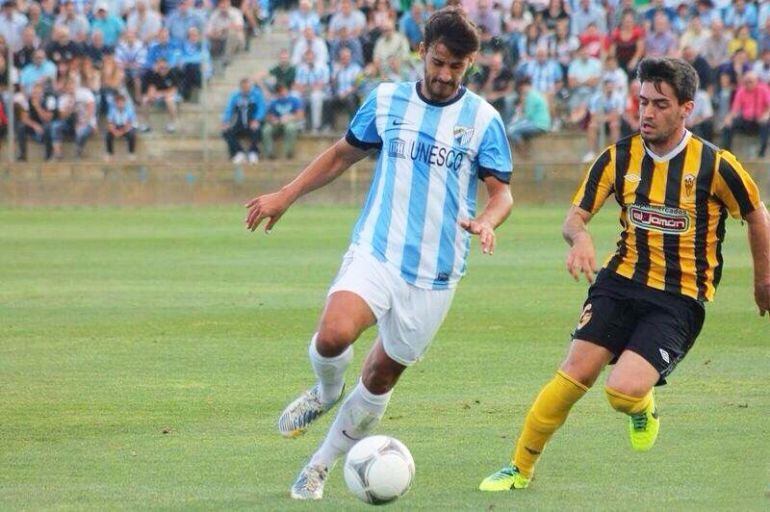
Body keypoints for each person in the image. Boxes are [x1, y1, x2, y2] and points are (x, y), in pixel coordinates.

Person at [245, 7, 514, 501]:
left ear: (470, 65)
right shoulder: (386, 101)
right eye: (438, 61)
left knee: (380, 375)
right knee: (332, 336)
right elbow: (341, 154)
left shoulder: (482, 120)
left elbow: (501, 193)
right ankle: (325, 392)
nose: (444, 74)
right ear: (422, 52)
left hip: (435, 274)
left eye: (456, 67)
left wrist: (487, 222)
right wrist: (286, 194)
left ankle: (319, 465)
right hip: (377, 250)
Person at [480, 56, 770, 492]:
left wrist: (763, 282)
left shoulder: (715, 164)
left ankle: (640, 406)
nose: (646, 113)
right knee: (573, 375)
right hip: (620, 282)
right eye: (642, 101)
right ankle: (519, 468)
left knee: (621, 392)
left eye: (659, 104)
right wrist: (580, 239)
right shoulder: (617, 157)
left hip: (679, 297)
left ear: (687, 108)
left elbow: (757, 215)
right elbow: (573, 219)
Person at [721, 71, 770, 158]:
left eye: (750, 81)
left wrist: (766, 115)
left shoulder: (763, 89)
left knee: (765, 124)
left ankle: (762, 152)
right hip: (746, 120)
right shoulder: (741, 91)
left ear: (756, 81)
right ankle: (727, 152)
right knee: (727, 126)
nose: (748, 84)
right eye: (746, 81)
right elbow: (735, 109)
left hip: (760, 119)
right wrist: (728, 118)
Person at [221, 77, 265, 164]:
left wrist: (257, 120)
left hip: (252, 122)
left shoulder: (257, 95)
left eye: (247, 87)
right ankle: (238, 152)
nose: (246, 89)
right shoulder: (235, 96)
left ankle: (253, 152)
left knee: (257, 130)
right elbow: (229, 109)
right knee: (226, 132)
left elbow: (261, 108)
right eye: (244, 87)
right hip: (240, 123)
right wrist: (225, 121)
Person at [260, 82, 302, 159]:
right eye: (279, 91)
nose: (282, 93)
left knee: (290, 128)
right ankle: (269, 154)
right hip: (277, 123)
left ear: (286, 90)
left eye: (283, 90)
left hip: (290, 122)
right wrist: (272, 119)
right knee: (266, 129)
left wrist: (290, 117)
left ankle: (288, 153)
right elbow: (268, 116)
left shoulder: (294, 100)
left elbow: (300, 115)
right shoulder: (273, 102)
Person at [104, 92, 138, 160]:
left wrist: (121, 132)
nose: (120, 104)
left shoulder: (129, 109)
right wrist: (114, 131)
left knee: (131, 135)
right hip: (116, 125)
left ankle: (131, 153)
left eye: (122, 102)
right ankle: (110, 153)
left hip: (127, 127)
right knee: (108, 135)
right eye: (118, 103)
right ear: (115, 103)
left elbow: (129, 124)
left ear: (124, 102)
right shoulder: (112, 109)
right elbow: (110, 123)